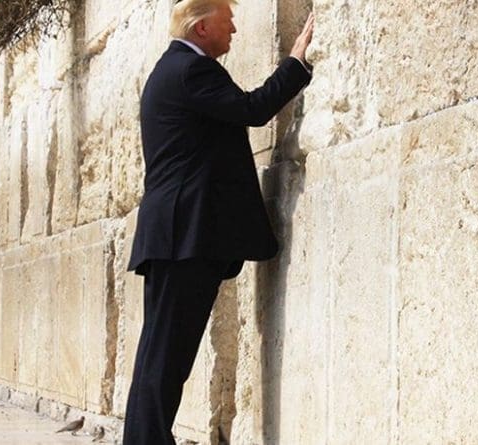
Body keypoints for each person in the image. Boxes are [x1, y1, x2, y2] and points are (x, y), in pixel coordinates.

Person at [123, 0, 314, 443]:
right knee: (166, 357)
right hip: (185, 235)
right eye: (228, 23)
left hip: (174, 234)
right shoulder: (192, 71)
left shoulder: (168, 71)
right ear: (202, 26)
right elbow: (252, 109)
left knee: (159, 355)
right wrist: (296, 61)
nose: (235, 32)